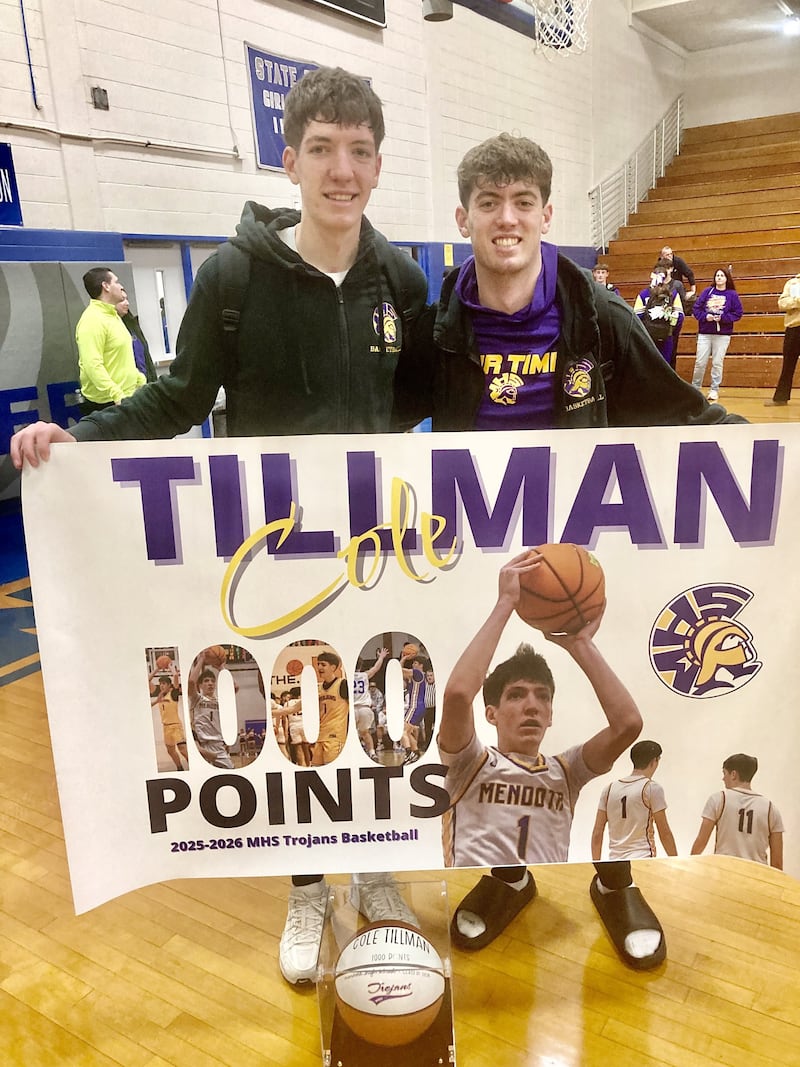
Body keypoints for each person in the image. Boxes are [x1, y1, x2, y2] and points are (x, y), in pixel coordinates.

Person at [11, 66, 427, 987]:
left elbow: (442, 397)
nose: (341, 169)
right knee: (301, 716)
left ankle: (377, 866)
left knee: (378, 708)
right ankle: (309, 882)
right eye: (322, 148)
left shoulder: (398, 274)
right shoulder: (235, 275)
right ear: (291, 160)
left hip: (374, 545)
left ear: (379, 164)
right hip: (272, 547)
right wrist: (72, 438)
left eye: (359, 150)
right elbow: (177, 396)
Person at [395, 131, 746, 971]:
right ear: (463, 217)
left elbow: (684, 412)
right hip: (482, 546)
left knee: (632, 733)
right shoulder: (437, 325)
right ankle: (510, 876)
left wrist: (779, 463)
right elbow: (357, 427)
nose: (506, 219)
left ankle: (615, 877)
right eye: (489, 203)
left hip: (591, 550)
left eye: (523, 203)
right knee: (504, 763)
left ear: (548, 214)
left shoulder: (597, 313)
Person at [690, 754, 784, 870]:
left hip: (725, 873)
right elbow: (777, 862)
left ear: (733, 774)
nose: (723, 778)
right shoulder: (771, 809)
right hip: (757, 878)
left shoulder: (719, 799)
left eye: (724, 773)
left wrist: (690, 868)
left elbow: (701, 842)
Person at [74, 268, 146, 417]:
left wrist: (139, 379)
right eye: (116, 281)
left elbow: (121, 356)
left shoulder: (113, 316)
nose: (120, 286)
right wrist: (116, 394)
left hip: (128, 396)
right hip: (108, 405)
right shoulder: (92, 320)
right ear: (106, 286)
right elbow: (92, 365)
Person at [591, 740, 677, 861]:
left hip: (615, 862)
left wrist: (596, 864)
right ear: (654, 761)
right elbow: (665, 832)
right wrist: (676, 861)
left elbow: (597, 833)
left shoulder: (609, 789)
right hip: (643, 859)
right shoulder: (652, 788)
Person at [691, 267, 743, 402]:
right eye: (717, 275)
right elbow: (696, 308)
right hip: (705, 333)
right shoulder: (707, 292)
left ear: (726, 278)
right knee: (700, 362)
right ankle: (695, 388)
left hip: (722, 335)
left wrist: (724, 318)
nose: (719, 277)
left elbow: (738, 313)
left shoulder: (732, 295)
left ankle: (714, 389)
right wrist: (705, 316)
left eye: (721, 275)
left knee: (717, 362)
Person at [187, 651, 234, 770]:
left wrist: (221, 668)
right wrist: (202, 659)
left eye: (213, 681)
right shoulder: (197, 699)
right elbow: (191, 682)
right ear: (200, 685)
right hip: (202, 745)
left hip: (218, 746)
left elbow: (234, 688)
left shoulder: (220, 701)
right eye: (206, 681)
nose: (210, 683)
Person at [633, 261, 684, 367]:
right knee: (665, 367)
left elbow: (636, 317)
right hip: (666, 336)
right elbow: (680, 317)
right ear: (665, 279)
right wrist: (671, 330)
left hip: (647, 337)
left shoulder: (644, 294)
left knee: (648, 366)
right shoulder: (672, 294)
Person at [765, 271, 800, 407]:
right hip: (793, 328)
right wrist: (797, 300)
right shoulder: (792, 283)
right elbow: (782, 303)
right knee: (788, 365)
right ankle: (780, 398)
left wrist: (794, 302)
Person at [149, 664, 187, 772]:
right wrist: (157, 668)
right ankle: (180, 768)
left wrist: (169, 665)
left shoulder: (173, 693)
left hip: (175, 726)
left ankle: (194, 767)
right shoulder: (158, 694)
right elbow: (148, 680)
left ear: (169, 685)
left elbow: (175, 675)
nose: (161, 685)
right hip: (166, 728)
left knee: (183, 750)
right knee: (170, 751)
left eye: (164, 683)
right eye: (160, 683)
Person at [353, 647, 390, 759]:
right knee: (365, 733)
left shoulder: (346, 676)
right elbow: (376, 668)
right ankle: (372, 753)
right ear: (360, 666)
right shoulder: (364, 675)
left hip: (353, 708)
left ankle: (354, 754)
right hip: (365, 708)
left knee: (351, 734)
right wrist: (381, 657)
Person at [116, 297, 158, 383]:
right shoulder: (113, 329)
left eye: (127, 299)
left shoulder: (133, 326)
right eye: (121, 300)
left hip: (146, 380)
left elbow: (146, 355)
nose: (127, 303)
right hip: (129, 384)